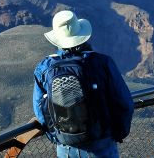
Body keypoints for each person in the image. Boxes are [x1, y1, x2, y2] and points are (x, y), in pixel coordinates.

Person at [33, 10, 134, 158]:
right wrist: (118, 133)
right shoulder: (103, 63)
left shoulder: (45, 68)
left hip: (66, 147)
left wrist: (57, 136)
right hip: (102, 144)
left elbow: (40, 110)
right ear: (82, 36)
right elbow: (125, 104)